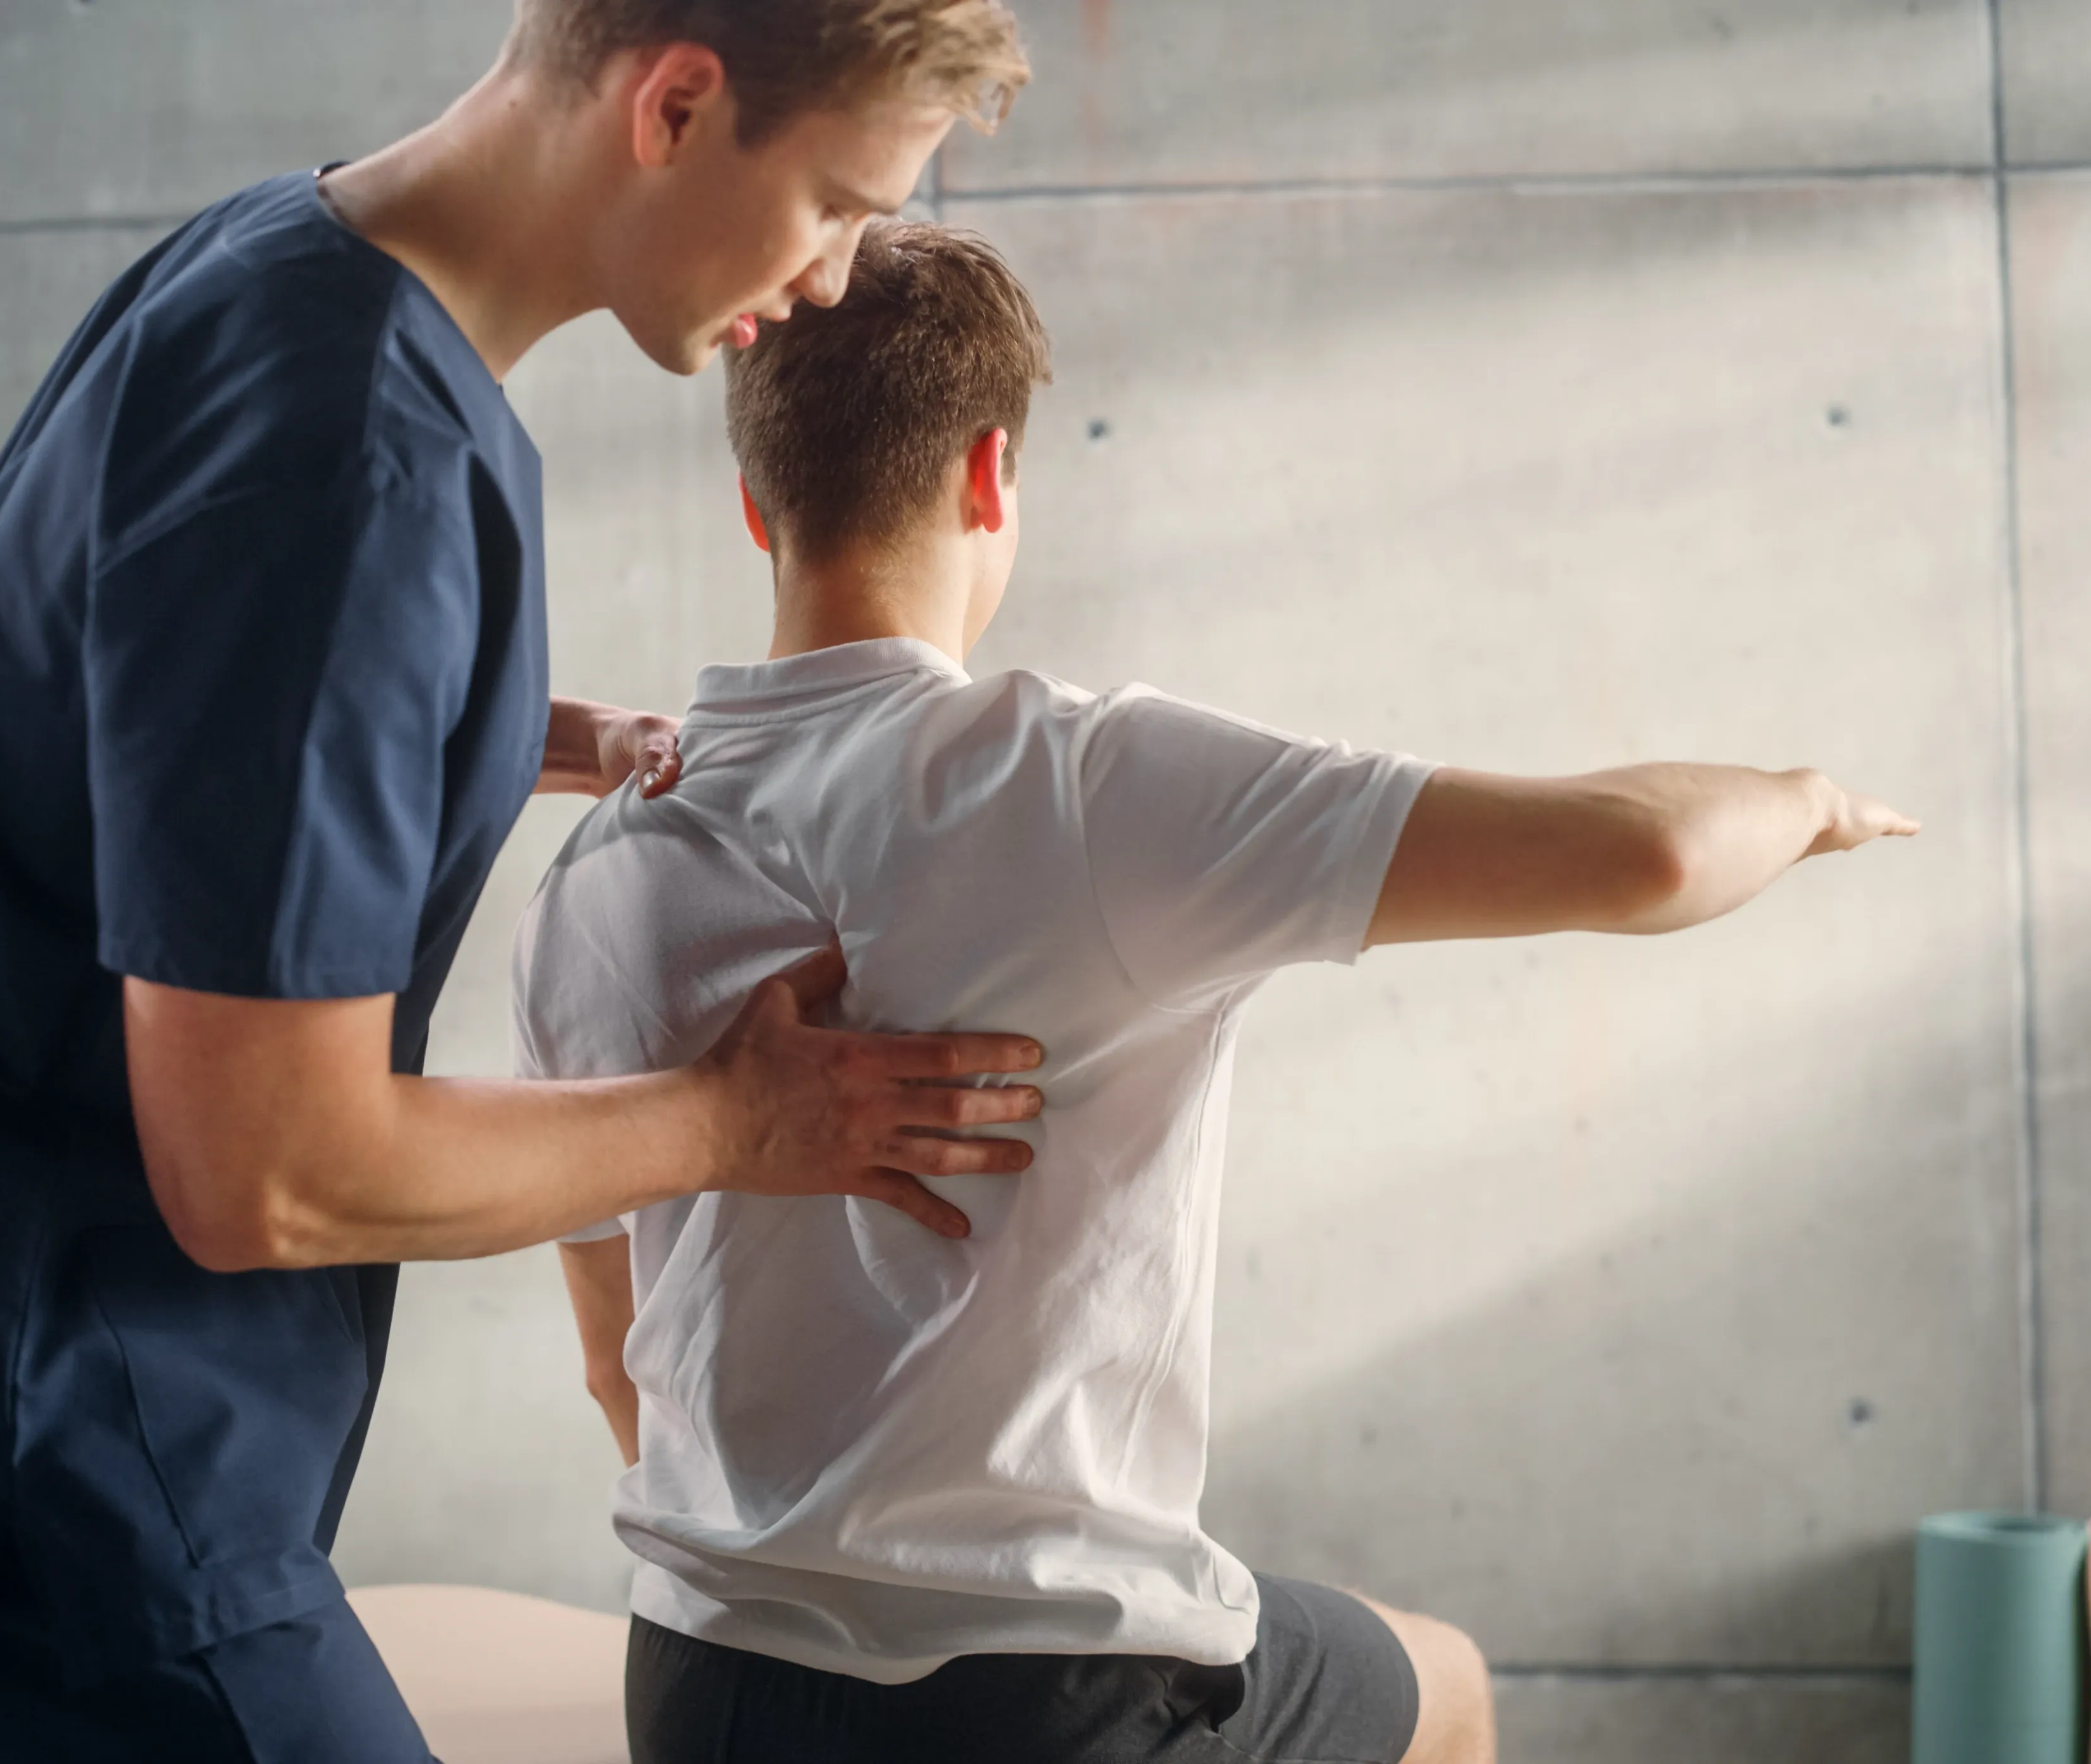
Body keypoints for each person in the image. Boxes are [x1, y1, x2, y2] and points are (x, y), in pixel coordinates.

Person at [0, 6, 1043, 1760]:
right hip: (58, 1486)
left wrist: (496, 731)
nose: (829, 278)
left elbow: (124, 699)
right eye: (833, 201)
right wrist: (742, 1124)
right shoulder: (359, 455)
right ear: (675, 103)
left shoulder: (275, 259)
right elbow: (269, 1173)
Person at [524, 222, 1921, 1764]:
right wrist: (1810, 796)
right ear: (991, 474)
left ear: (754, 502)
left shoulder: (601, 860)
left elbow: (617, 1362)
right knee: (1440, 1686)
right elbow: (1652, 853)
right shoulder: (1076, 782)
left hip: (704, 1681)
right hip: (1034, 1695)